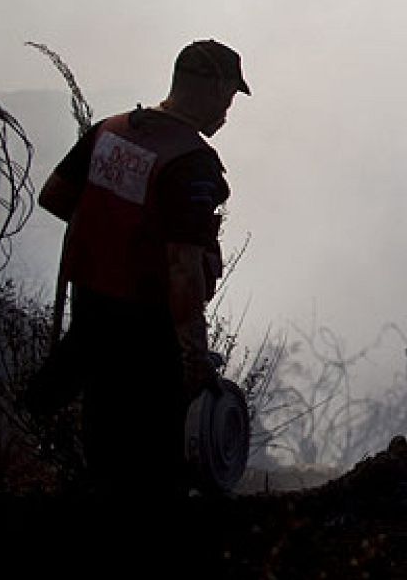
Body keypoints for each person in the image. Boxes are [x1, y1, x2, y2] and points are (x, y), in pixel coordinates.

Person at [24, 39, 249, 500]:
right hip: (149, 338)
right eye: (228, 98)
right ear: (213, 88)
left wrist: (116, 229)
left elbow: (54, 197)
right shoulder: (191, 164)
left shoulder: (111, 131)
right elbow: (183, 270)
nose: (227, 111)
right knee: (152, 479)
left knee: (102, 459)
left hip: (92, 319)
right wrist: (195, 360)